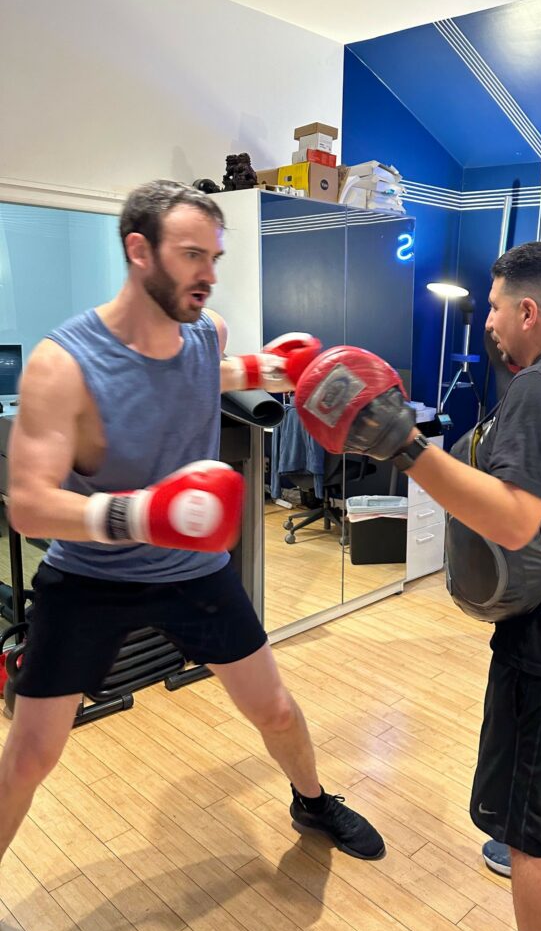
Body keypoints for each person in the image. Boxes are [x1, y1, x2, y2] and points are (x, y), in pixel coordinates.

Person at [0, 179, 384, 868]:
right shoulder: (64, 364)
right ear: (138, 250)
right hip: (89, 578)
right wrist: (146, 513)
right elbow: (28, 504)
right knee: (30, 755)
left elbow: (207, 370)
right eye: (190, 256)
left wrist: (279, 370)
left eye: (214, 257)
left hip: (193, 574)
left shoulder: (207, 333)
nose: (208, 274)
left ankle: (312, 801)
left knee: (275, 709)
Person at [294, 241, 541, 931]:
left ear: (526, 311)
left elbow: (513, 522)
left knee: (530, 840)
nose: (487, 321)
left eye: (493, 307)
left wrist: (405, 447)